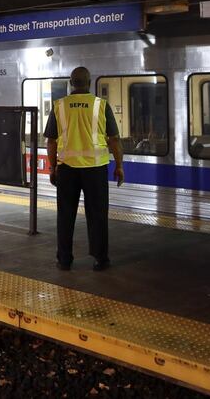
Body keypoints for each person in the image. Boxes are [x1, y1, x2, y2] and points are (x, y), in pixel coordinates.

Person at [44, 67, 124, 272]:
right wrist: (119, 166)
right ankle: (100, 259)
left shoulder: (59, 106)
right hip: (95, 169)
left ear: (71, 83)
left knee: (65, 215)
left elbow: (51, 142)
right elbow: (114, 139)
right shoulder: (101, 105)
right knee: (97, 214)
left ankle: (64, 260)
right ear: (89, 82)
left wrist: (53, 168)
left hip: (67, 169)